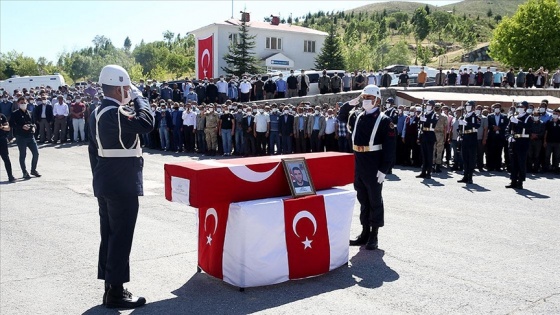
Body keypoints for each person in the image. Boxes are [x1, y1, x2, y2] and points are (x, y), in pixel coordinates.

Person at [88, 64, 154, 309]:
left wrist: (99, 178)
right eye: (126, 88)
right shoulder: (116, 112)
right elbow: (146, 122)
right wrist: (140, 98)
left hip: (106, 178)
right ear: (118, 89)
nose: (129, 92)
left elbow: (92, 151)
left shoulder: (96, 111)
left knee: (109, 235)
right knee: (120, 237)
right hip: (121, 181)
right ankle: (116, 293)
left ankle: (110, 286)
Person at [338, 84, 395, 250]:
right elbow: (341, 116)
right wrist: (351, 103)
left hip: (374, 162)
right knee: (363, 199)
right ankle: (364, 232)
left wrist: (384, 169)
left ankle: (374, 235)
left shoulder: (384, 120)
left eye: (368, 98)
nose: (365, 101)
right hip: (359, 161)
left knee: (374, 200)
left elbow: (390, 148)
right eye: (364, 98)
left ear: (377, 100)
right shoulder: (357, 116)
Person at [10, 97, 40, 179]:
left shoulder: (30, 112)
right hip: (21, 137)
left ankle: (33, 170)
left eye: (25, 102)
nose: (23, 104)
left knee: (36, 153)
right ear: (18, 103)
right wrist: (21, 127)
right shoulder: (15, 113)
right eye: (21, 102)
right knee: (23, 155)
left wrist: (33, 127)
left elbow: (33, 122)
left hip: (30, 136)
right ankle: (24, 172)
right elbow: (12, 124)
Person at [505, 101, 533, 189]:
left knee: (521, 162)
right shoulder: (514, 117)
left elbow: (529, 127)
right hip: (514, 141)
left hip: (523, 142)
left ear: (525, 108)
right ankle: (513, 180)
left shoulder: (528, 117)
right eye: (519, 107)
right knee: (513, 162)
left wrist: (518, 122)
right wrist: (509, 137)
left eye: (522, 107)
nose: (520, 108)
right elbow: (507, 129)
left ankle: (520, 181)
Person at [457, 101, 481, 184]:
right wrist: (459, 134)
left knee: (471, 158)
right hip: (464, 138)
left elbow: (477, 125)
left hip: (472, 138)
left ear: (473, 107)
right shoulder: (463, 116)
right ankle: (465, 176)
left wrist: (467, 123)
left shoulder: (476, 116)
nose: (468, 107)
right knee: (465, 158)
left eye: (470, 106)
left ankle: (470, 177)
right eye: (467, 106)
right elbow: (459, 128)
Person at [416, 100, 439, 179]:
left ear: (432, 106)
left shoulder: (434, 114)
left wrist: (425, 120)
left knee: (429, 155)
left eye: (429, 105)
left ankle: (429, 172)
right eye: (427, 105)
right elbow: (419, 123)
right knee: (424, 155)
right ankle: (423, 171)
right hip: (423, 134)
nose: (428, 106)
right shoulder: (424, 114)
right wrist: (420, 119)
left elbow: (435, 122)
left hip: (430, 135)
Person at [486, 103, 509, 171]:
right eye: (495, 107)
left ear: (500, 108)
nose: (497, 108)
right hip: (492, 136)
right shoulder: (490, 116)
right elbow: (487, 125)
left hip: (500, 136)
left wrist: (500, 128)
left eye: (498, 107)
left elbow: (506, 125)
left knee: (499, 152)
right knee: (491, 151)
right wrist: (493, 127)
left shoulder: (504, 116)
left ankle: (498, 166)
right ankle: (490, 166)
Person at [0, 112, 15, 182]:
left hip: (1, 139)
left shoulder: (2, 116)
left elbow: (8, 128)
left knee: (6, 158)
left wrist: (2, 127)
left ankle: (10, 176)